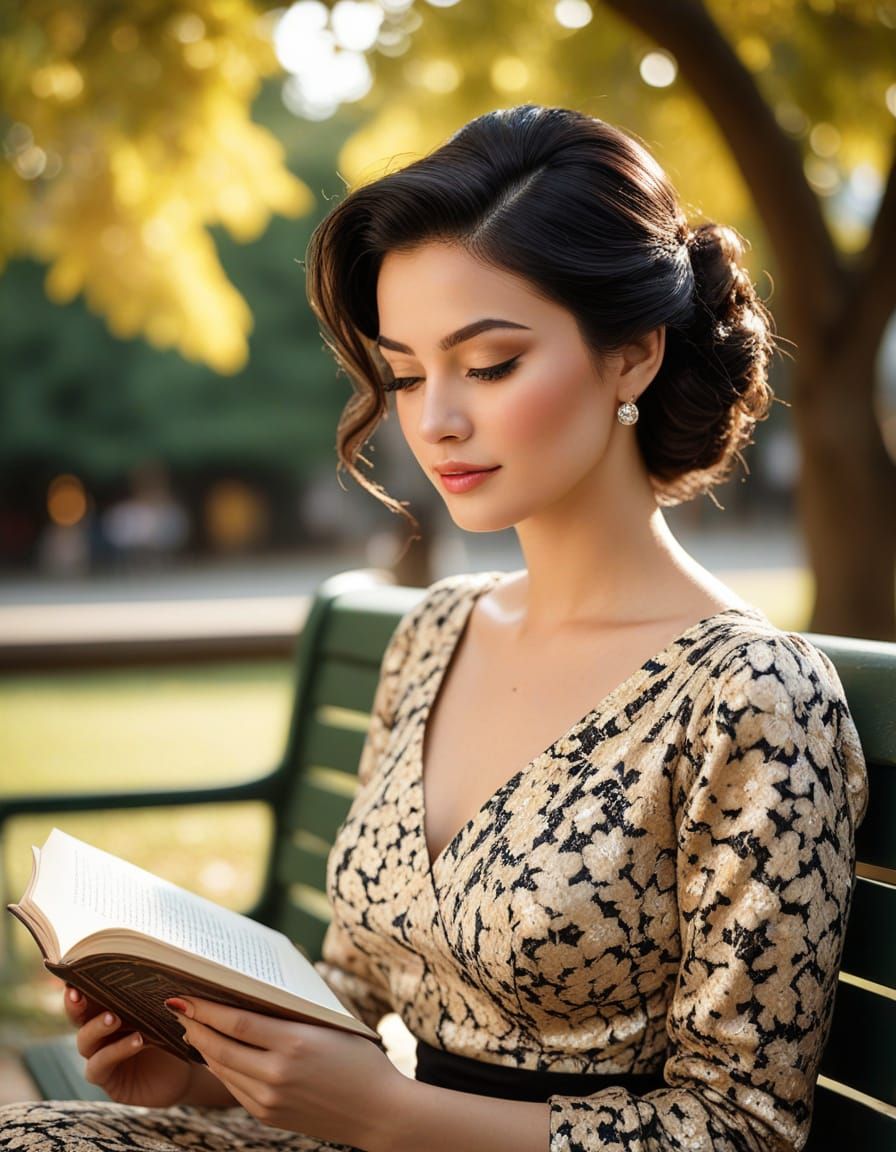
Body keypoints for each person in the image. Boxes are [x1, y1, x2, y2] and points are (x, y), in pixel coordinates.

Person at [1, 104, 869, 1152]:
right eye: (406, 374)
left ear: (632, 356)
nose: (434, 420)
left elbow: (739, 1129)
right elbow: (356, 995)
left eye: (489, 364)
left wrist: (385, 1112)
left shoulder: (748, 697)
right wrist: (200, 1068)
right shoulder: (436, 631)